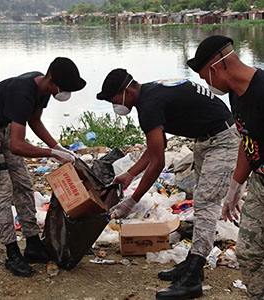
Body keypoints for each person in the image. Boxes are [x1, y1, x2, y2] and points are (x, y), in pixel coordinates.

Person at [96, 69, 239, 300]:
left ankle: (193, 277)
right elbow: (157, 146)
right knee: (203, 203)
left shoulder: (149, 104)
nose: (114, 105)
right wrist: (130, 174)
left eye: (113, 99)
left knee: (205, 203)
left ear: (127, 90)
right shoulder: (150, 94)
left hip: (223, 140)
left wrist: (130, 202)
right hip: (206, 138)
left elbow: (158, 162)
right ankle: (193, 261)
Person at [0, 57, 86, 277]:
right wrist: (51, 153)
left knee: (23, 184)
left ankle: (32, 243)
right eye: (64, 89)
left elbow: (35, 121)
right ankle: (12, 253)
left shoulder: (43, 90)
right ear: (52, 80)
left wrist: (59, 148)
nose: (65, 93)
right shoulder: (22, 92)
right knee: (3, 190)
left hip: (5, 127)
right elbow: (18, 145)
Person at [187, 35, 264, 300]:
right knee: (248, 252)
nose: (206, 84)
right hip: (260, 182)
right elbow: (247, 139)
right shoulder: (236, 95)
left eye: (204, 76)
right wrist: (234, 188)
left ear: (215, 68)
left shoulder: (263, 90)